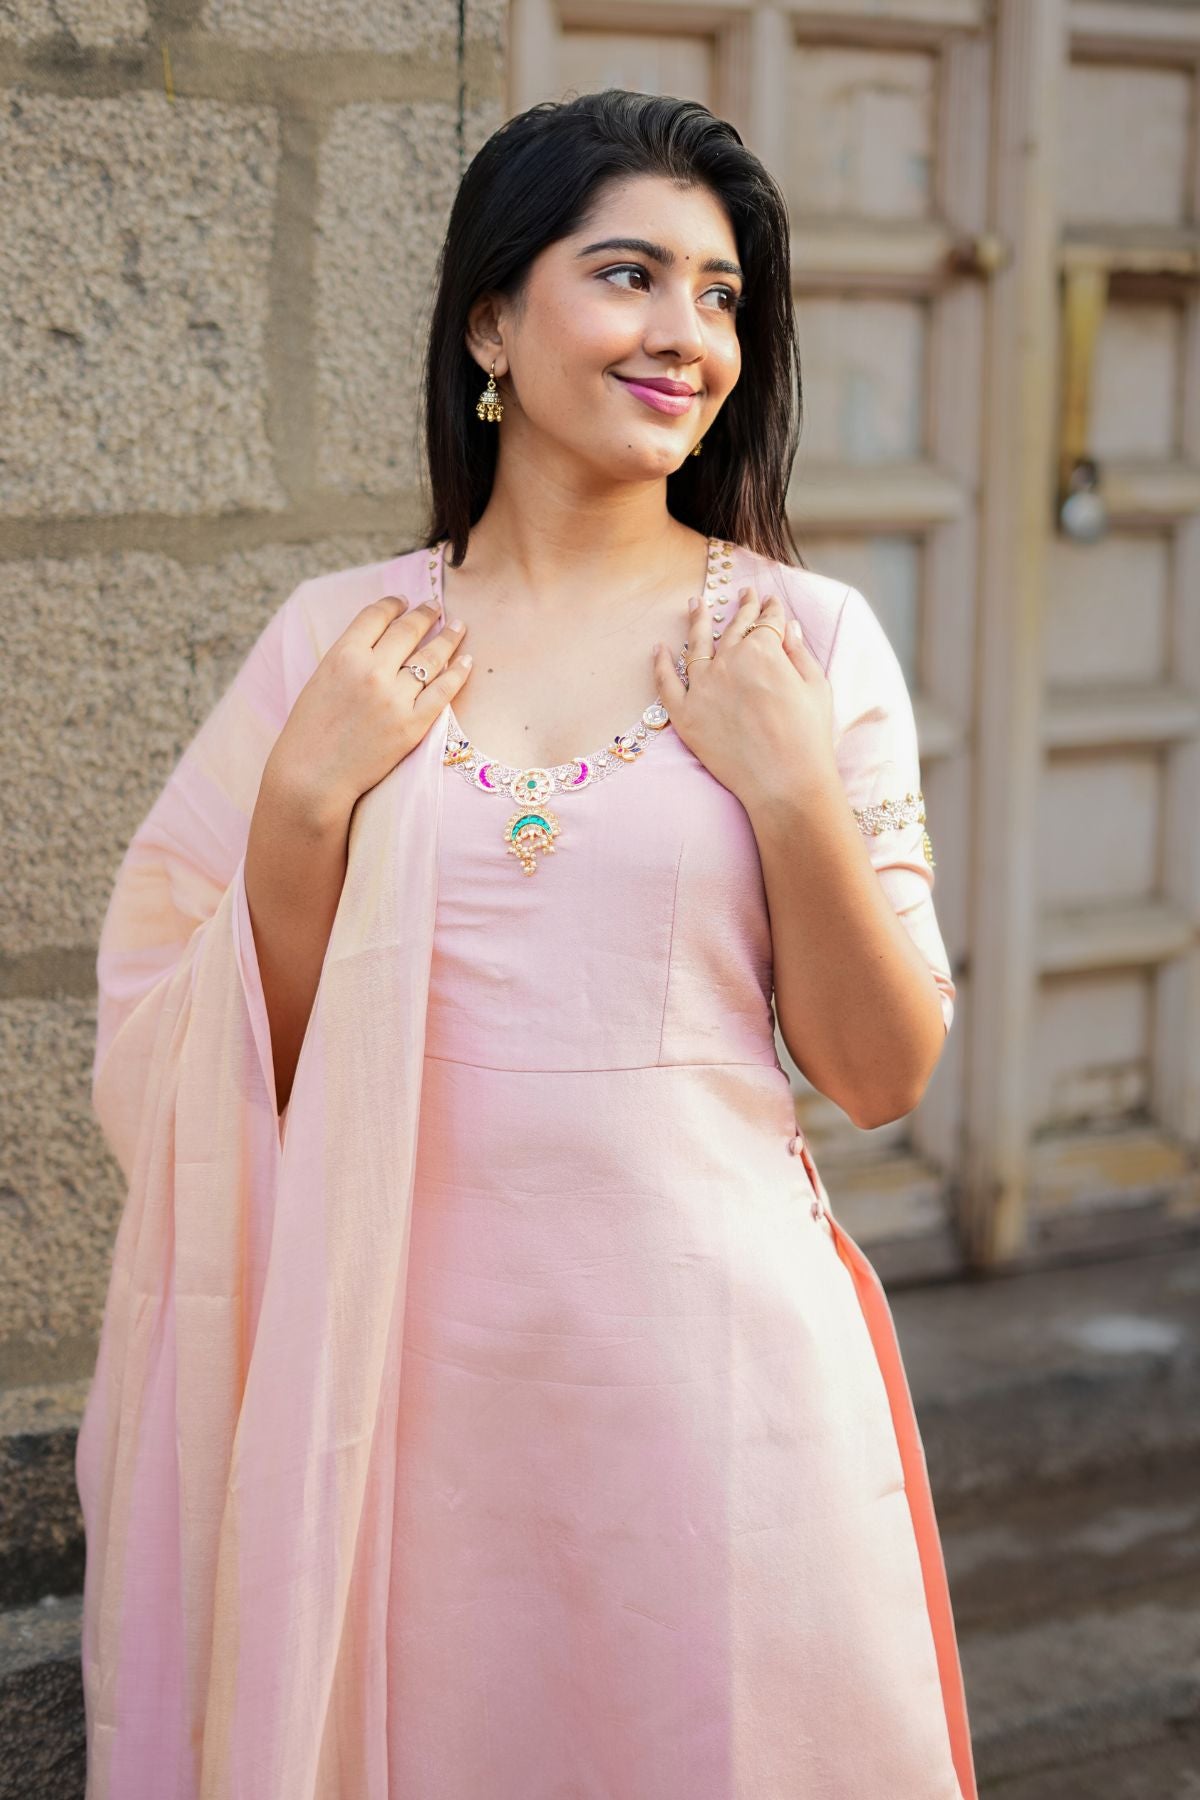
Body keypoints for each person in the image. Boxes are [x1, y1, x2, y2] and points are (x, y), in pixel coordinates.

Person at [76, 88, 976, 1800]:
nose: (686, 335)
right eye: (628, 274)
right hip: (395, 1385)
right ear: (492, 317)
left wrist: (788, 791)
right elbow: (196, 1060)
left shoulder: (801, 639)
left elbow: (881, 1072)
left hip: (712, 1378)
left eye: (722, 296)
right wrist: (300, 815)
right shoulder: (335, 641)